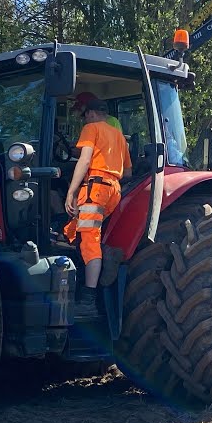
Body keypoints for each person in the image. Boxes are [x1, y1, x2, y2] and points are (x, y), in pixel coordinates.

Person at [63, 98, 131, 313]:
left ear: (91, 113)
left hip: (96, 189)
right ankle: (106, 253)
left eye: (84, 115)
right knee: (76, 231)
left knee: (89, 241)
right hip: (114, 191)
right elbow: (128, 172)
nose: (84, 119)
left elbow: (83, 161)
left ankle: (88, 300)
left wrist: (71, 192)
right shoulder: (119, 136)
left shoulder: (91, 128)